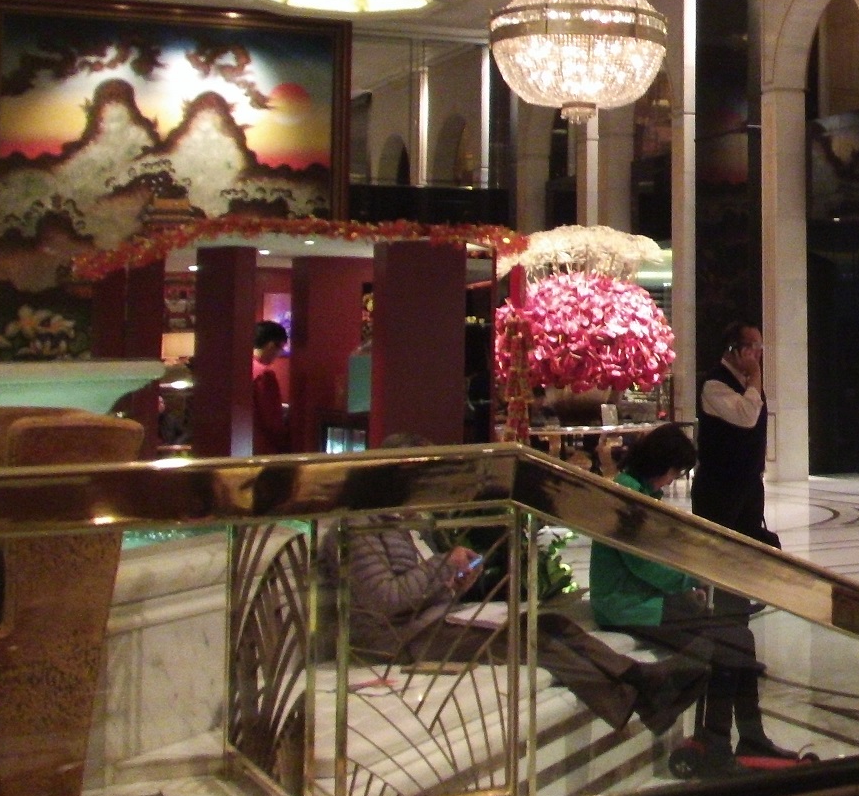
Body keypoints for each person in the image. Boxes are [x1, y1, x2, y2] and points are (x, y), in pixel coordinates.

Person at [341, 434, 692, 734]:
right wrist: (443, 565)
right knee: (529, 639)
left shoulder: (407, 523)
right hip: (402, 637)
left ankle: (637, 681)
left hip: (434, 618)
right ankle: (637, 693)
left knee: (552, 623)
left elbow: (422, 585)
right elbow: (384, 600)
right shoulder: (362, 526)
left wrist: (458, 579)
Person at [592, 423, 796, 771]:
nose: (673, 480)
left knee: (739, 636)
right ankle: (715, 740)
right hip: (626, 605)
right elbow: (646, 564)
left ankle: (749, 735)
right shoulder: (628, 496)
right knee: (726, 642)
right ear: (662, 464)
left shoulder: (640, 492)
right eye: (674, 472)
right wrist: (690, 579)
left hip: (646, 598)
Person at [691, 323, 771, 542]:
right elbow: (747, 417)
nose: (758, 353)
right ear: (733, 349)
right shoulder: (714, 383)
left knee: (749, 550)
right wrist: (755, 374)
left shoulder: (748, 383)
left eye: (760, 347)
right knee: (717, 550)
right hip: (719, 486)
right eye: (753, 346)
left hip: (750, 483)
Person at [251, 321, 289, 454]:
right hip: (263, 447)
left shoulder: (242, 366)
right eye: (281, 349)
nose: (279, 354)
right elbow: (272, 419)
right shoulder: (264, 374)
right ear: (271, 345)